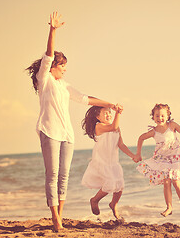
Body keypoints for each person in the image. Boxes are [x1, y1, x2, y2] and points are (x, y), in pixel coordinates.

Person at [26, 12, 117, 231]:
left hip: (67, 134)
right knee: (52, 175)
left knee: (64, 176)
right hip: (49, 132)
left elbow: (85, 98)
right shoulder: (44, 80)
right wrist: (53, 30)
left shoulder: (65, 86)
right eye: (63, 64)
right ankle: (55, 218)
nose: (65, 68)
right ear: (53, 67)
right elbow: (48, 55)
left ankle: (60, 215)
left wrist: (110, 104)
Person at [81, 105, 137, 219]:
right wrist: (118, 113)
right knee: (110, 183)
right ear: (98, 117)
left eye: (110, 113)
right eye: (105, 113)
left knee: (120, 186)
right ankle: (94, 200)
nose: (109, 115)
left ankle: (113, 204)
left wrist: (133, 156)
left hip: (113, 162)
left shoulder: (116, 128)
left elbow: (121, 144)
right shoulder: (99, 127)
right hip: (102, 161)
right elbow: (113, 126)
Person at [136, 104, 180, 217]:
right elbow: (141, 138)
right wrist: (138, 153)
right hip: (162, 159)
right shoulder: (154, 131)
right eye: (157, 115)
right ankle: (169, 207)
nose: (160, 118)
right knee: (166, 182)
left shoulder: (172, 126)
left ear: (167, 116)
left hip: (175, 158)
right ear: (153, 117)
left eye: (162, 115)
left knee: (175, 180)